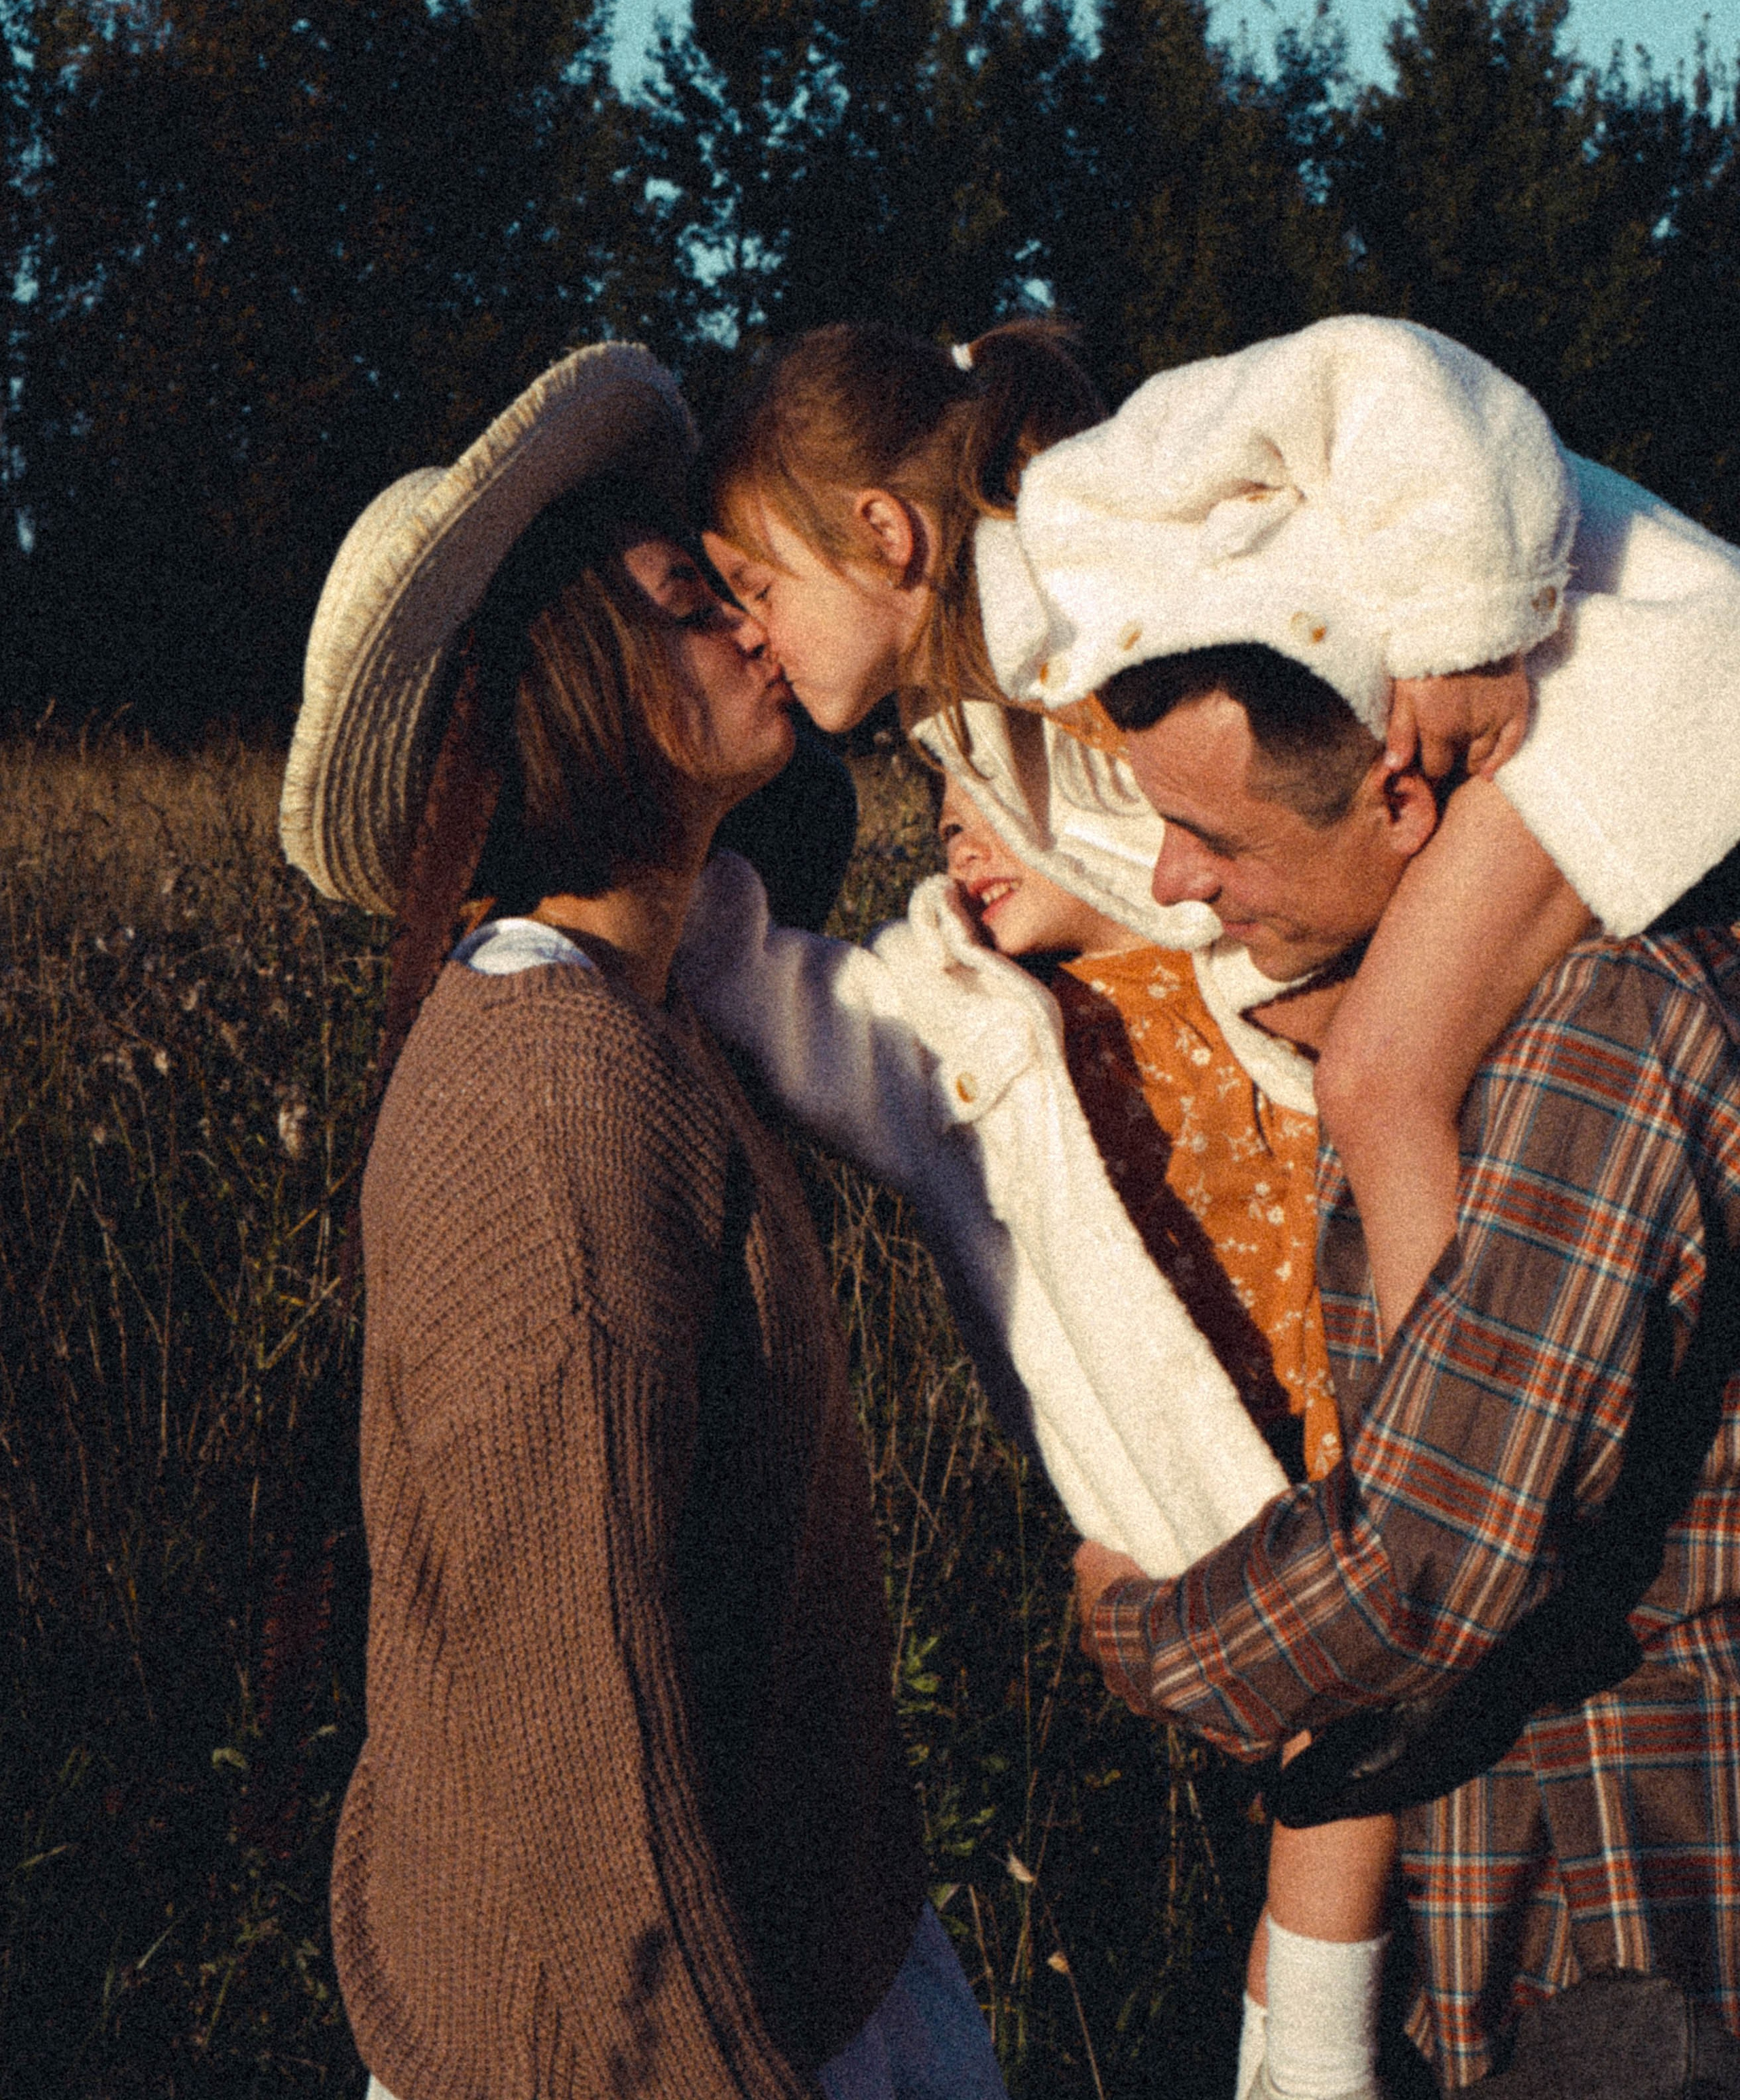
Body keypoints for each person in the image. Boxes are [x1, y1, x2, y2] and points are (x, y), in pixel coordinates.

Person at [278, 343, 1007, 2100]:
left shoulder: (665, 1015)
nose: (762, 629)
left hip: (798, 1974)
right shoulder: (551, 1101)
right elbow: (589, 1789)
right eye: (693, 600)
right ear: (566, 680)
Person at [1049, 636, 1740, 2095]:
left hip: (1637, 1905)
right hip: (1522, 1902)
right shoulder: (1455, 1022)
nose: (1172, 879)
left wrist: (1140, 1631)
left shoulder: (1603, 1030)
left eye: (1211, 835)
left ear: (1404, 799)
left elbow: (1424, 1558)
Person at [680, 777, 1391, 2099]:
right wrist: (673, 867)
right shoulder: (966, 1024)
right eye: (939, 803)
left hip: (1391, 1464)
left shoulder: (1257, 955)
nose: (955, 834)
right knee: (1338, 1797)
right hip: (1234, 1526)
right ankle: (1306, 2067)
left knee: (1388, 1824)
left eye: (997, 788)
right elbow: (768, 992)